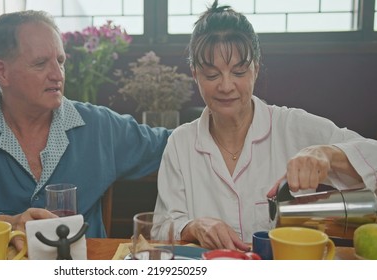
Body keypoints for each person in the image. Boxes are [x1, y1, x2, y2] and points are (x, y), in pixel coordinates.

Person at [0, 10, 170, 259]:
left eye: (60, 61)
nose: (57, 74)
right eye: (41, 63)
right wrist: (3, 223)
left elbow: (174, 144)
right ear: (1, 72)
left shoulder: (99, 126)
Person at [153, 1, 377, 252]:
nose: (226, 86)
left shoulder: (292, 126)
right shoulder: (181, 142)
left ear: (255, 70)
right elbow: (161, 227)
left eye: (238, 72)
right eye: (212, 75)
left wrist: (329, 154)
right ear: (195, 75)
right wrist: (192, 226)